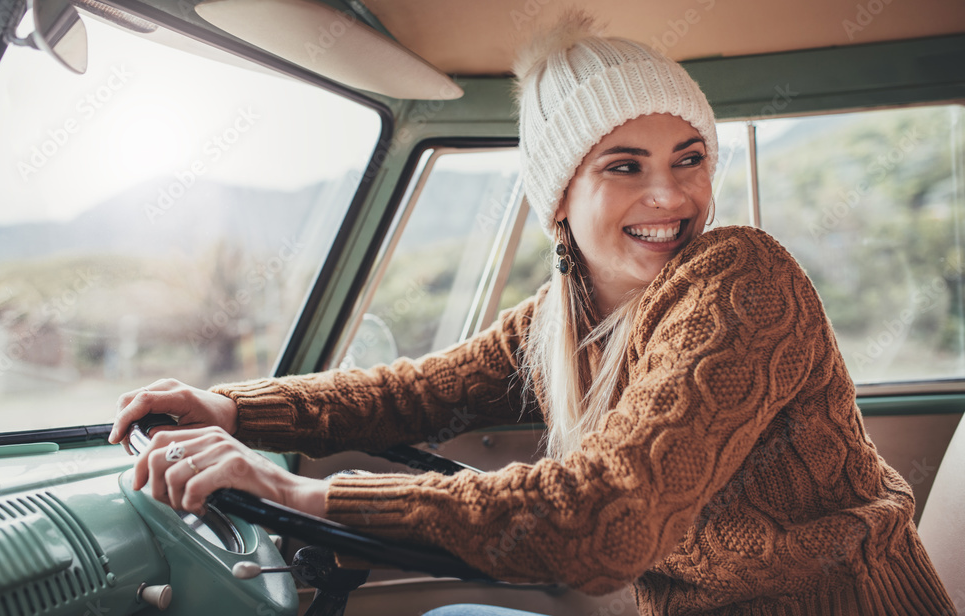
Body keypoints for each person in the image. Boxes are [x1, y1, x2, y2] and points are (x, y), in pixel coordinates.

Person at [109, 13, 955, 616]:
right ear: (560, 202)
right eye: (624, 166)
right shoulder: (564, 317)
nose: (670, 194)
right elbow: (415, 393)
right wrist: (235, 408)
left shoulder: (742, 279)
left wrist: (304, 493)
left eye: (688, 158)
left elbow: (609, 519)